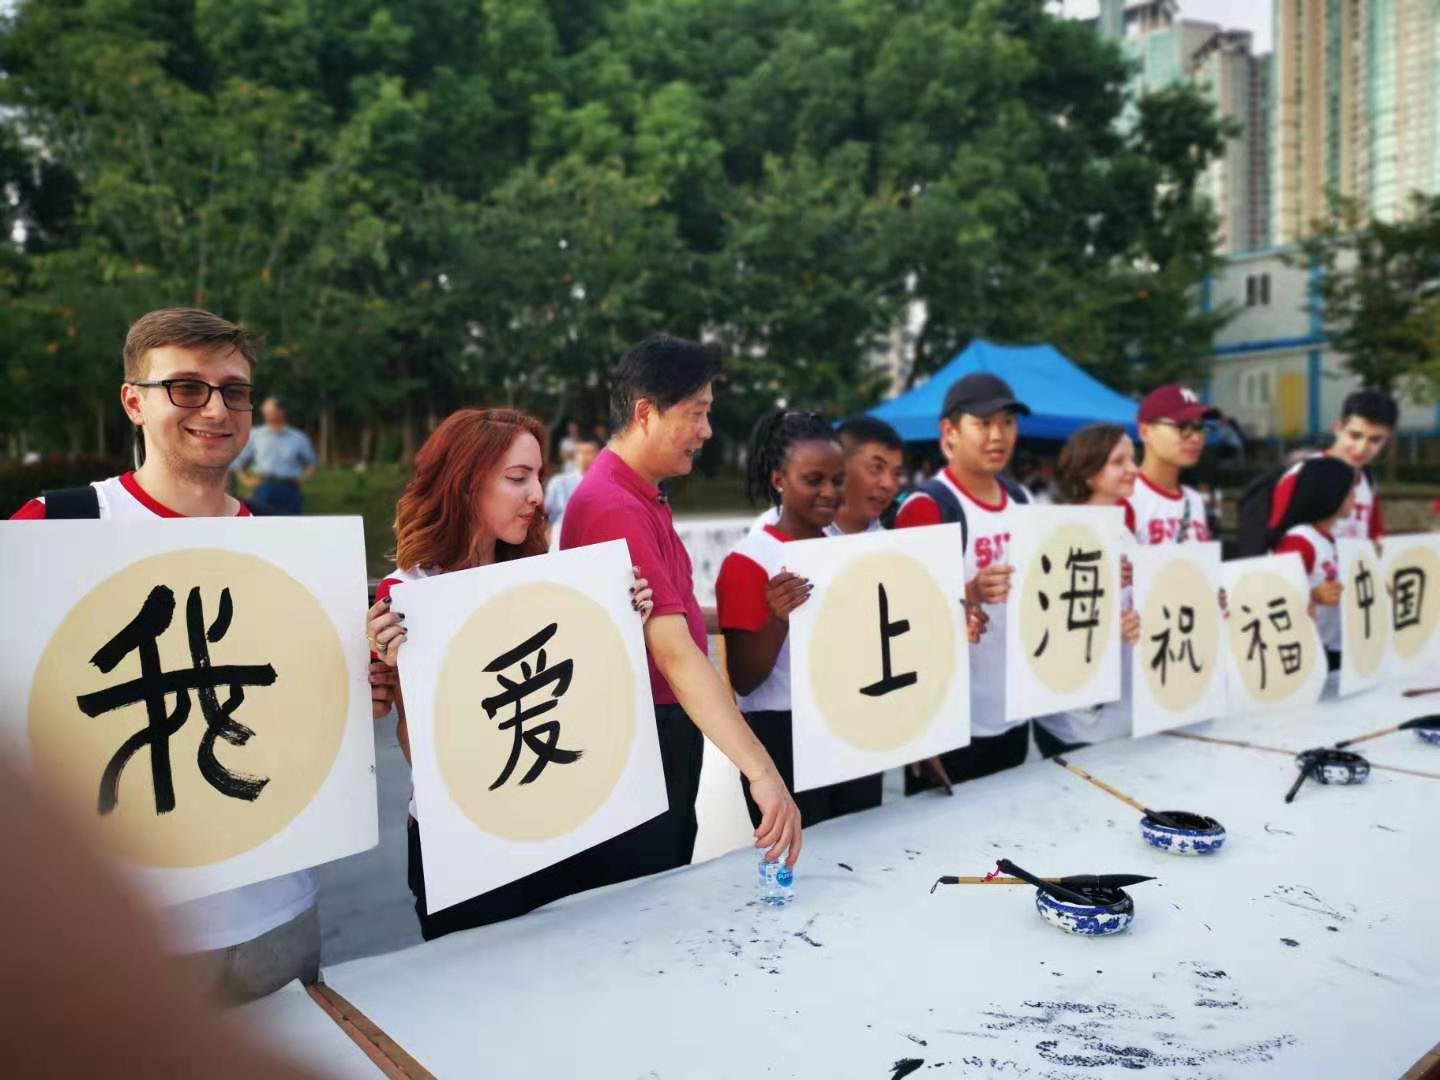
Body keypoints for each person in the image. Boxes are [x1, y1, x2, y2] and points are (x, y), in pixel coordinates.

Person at [11, 308, 395, 1004]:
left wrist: (355, 698)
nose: (216, 409)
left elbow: (308, 717)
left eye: (234, 390)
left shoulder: (293, 549)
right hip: (117, 935)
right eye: (185, 387)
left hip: (279, 915)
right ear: (134, 400)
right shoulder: (54, 528)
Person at [363, 409, 656, 939]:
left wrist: (622, 614)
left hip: (557, 822)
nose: (537, 495)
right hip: (464, 842)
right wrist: (396, 670)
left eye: (538, 478)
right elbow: (416, 750)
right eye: (517, 478)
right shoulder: (406, 595)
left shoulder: (546, 578)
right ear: (465, 483)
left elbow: (586, 697)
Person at [559, 334, 804, 881]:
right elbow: (673, 654)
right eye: (697, 414)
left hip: (666, 729)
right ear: (646, 413)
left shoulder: (640, 494)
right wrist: (761, 772)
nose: (707, 432)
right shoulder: (612, 507)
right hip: (645, 736)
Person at [716, 410, 883, 827]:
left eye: (838, 480)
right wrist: (778, 619)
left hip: (851, 722)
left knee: (868, 851)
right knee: (805, 872)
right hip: (783, 735)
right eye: (814, 480)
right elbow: (744, 680)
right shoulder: (749, 560)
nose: (830, 492)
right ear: (778, 480)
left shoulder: (843, 544)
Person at [893, 372, 1032, 789]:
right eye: (983, 423)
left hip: (1012, 711)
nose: (998, 435)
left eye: (1008, 422)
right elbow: (904, 621)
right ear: (949, 432)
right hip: (951, 723)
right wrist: (968, 592)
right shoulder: (927, 506)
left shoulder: (1021, 499)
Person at [1033, 424, 1144, 756]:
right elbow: (1052, 621)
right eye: (1119, 461)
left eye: (1133, 459)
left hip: (1120, 709)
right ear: (1089, 473)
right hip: (1075, 720)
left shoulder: (1123, 527)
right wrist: (1112, 627)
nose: (1133, 470)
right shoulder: (1064, 533)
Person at [1268, 389, 1397, 543]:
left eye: (1375, 440)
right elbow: (1275, 539)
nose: (1362, 447)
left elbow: (1375, 536)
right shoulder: (1304, 475)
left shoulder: (1367, 479)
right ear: (1338, 428)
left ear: (1387, 440)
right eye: (1355, 435)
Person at [1270, 455, 1356, 671]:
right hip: (1307, 651)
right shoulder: (1300, 540)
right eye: (1350, 491)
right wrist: (1314, 596)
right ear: (1332, 494)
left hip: (1330, 644)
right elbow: (1276, 593)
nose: (1355, 497)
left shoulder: (1328, 539)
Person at [1124, 384, 1217, 546]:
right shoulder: (1124, 497)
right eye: (1182, 426)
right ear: (1145, 431)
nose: (1196, 438)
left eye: (1200, 428)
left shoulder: (1195, 500)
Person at [233, 397, 317, 515]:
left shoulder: (298, 438)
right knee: (262, 527)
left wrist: (303, 479)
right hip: (263, 488)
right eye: (265, 410)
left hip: (290, 489)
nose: (265, 413)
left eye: (269, 410)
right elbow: (238, 462)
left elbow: (311, 463)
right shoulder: (255, 435)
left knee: (291, 527)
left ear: (281, 411)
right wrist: (246, 480)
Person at [832, 416, 906, 535]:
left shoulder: (897, 544)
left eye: (896, 474)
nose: (889, 484)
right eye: (876, 467)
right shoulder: (801, 539)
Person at [544, 434, 600, 533]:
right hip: (559, 541)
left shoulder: (605, 485)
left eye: (589, 453)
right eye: (579, 452)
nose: (583, 457)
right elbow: (545, 515)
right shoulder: (558, 482)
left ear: (598, 455)